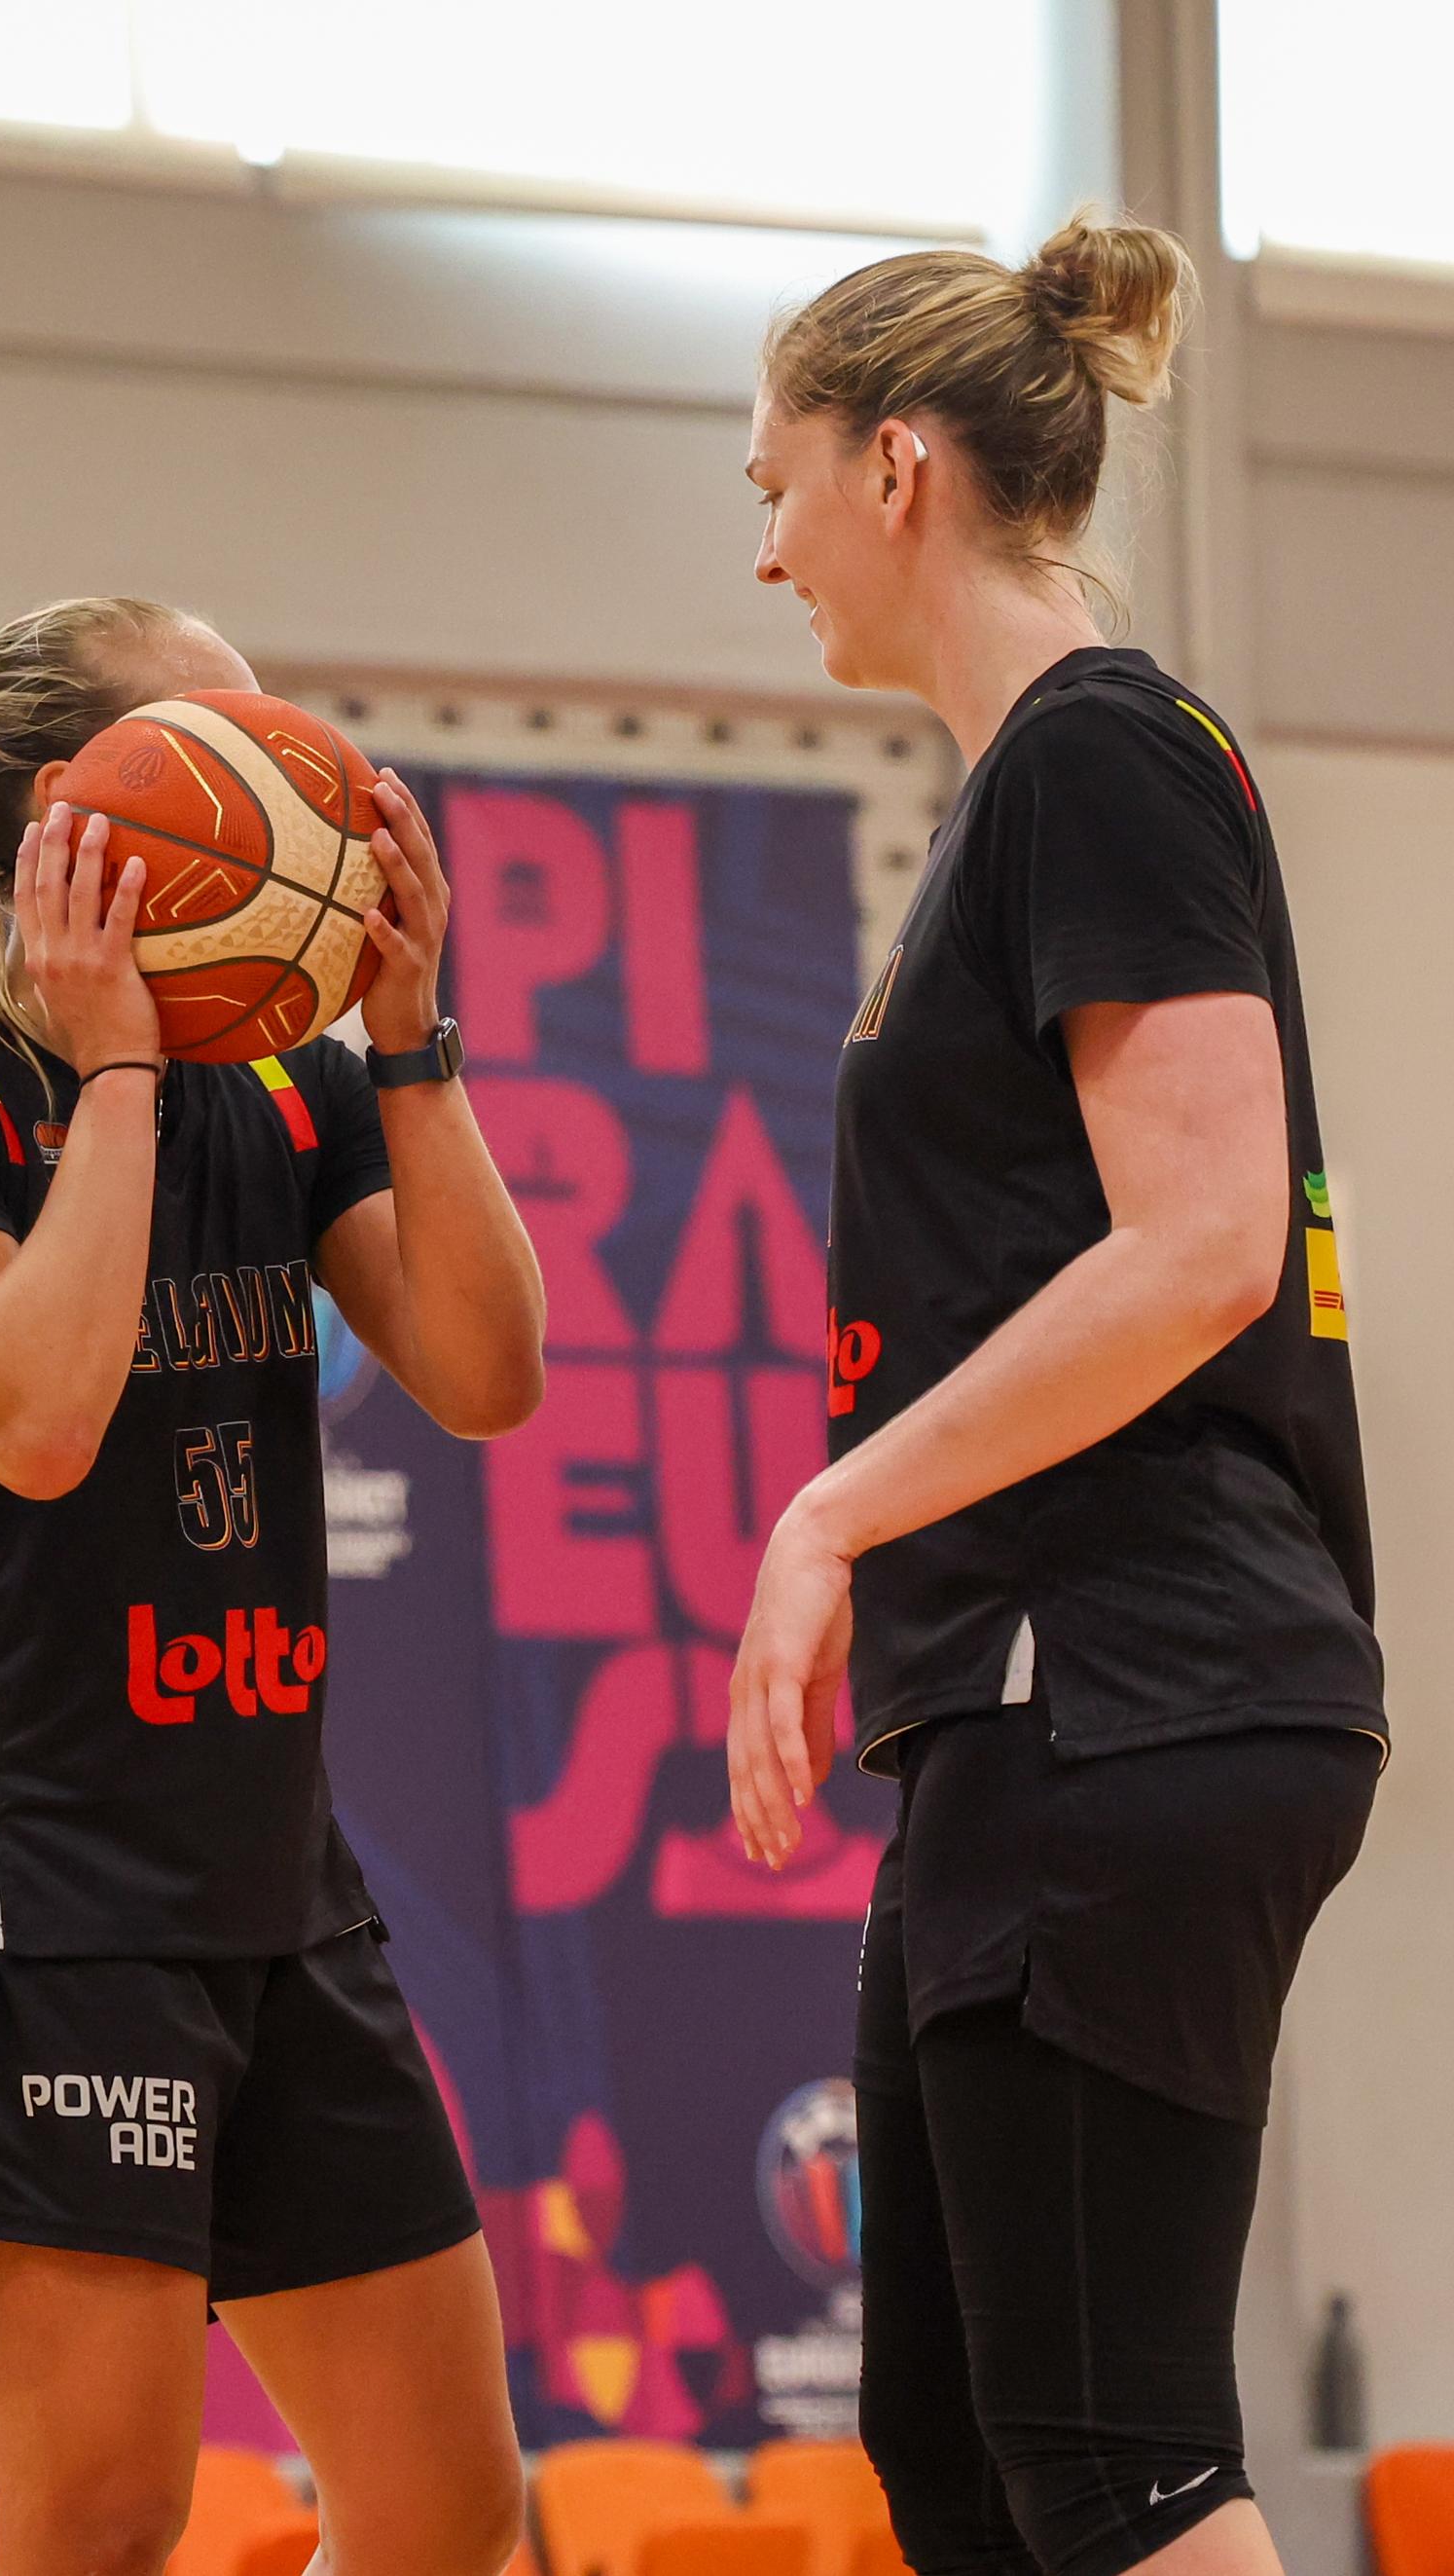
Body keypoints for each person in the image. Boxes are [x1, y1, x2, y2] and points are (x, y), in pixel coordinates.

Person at [729, 217, 1385, 2576]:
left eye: (778, 477)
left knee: (1114, 2467)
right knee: (963, 2467)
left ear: (898, 466)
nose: (768, 538)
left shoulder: (1096, 753)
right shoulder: (1033, 785)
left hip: (1127, 1675)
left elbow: (1202, 1244)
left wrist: (825, 1520)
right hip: (1037, 1697)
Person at [0, 596, 542, 2576]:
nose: (294, 758)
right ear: (83, 817)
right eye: (232, 731)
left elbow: (483, 1371)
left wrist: (413, 1043)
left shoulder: (282, 1082)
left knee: (448, 2516)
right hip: (39, 1904)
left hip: (278, 1891)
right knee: (104, 2529)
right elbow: (26, 1418)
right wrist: (111, 1079)